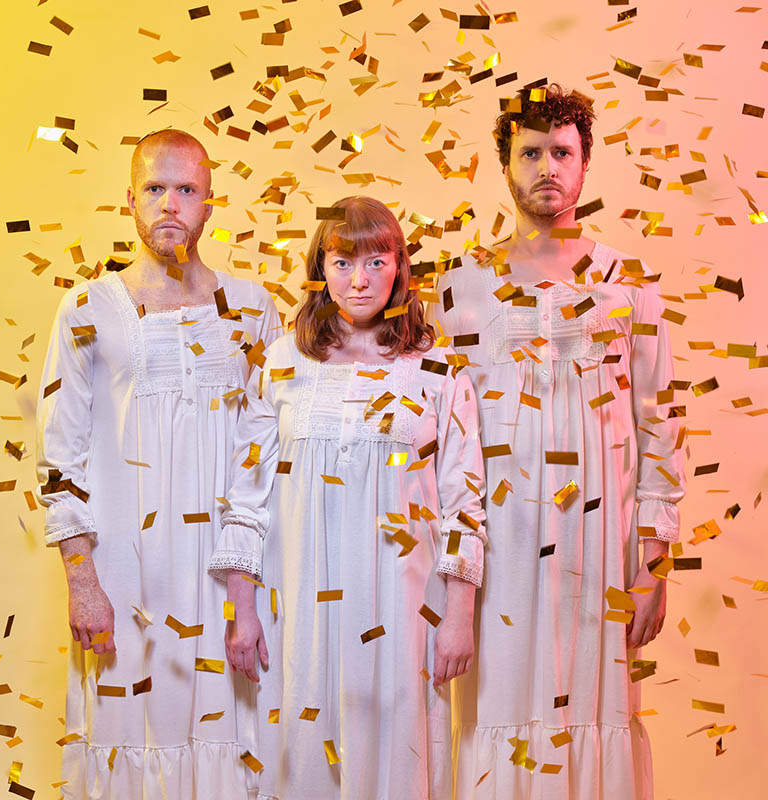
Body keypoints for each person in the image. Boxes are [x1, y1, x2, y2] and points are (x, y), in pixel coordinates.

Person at [428, 85, 685, 799]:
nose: (547, 167)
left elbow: (657, 419)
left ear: (585, 163)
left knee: (598, 706)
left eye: (562, 152)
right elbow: (441, 433)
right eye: (531, 152)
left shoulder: (629, 283)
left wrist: (653, 565)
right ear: (504, 165)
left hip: (602, 544)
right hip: (499, 543)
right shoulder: (460, 286)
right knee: (499, 703)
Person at [208, 195, 487, 799]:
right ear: (319, 268)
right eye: (341, 263)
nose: (358, 280)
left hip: (405, 607)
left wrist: (459, 619)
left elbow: (465, 499)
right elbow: (246, 495)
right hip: (301, 604)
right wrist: (242, 610)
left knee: (400, 751)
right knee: (302, 748)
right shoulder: (281, 362)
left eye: (376, 261)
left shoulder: (437, 369)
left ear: (399, 268)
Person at [36, 129, 281, 799]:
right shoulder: (86, 309)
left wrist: (247, 585)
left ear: (210, 204)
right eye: (154, 188)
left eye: (186, 190)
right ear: (129, 200)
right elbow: (60, 456)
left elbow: (268, 458)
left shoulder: (256, 311)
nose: (169, 204)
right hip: (124, 579)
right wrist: (82, 581)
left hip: (225, 578)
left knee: (230, 735)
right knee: (127, 734)